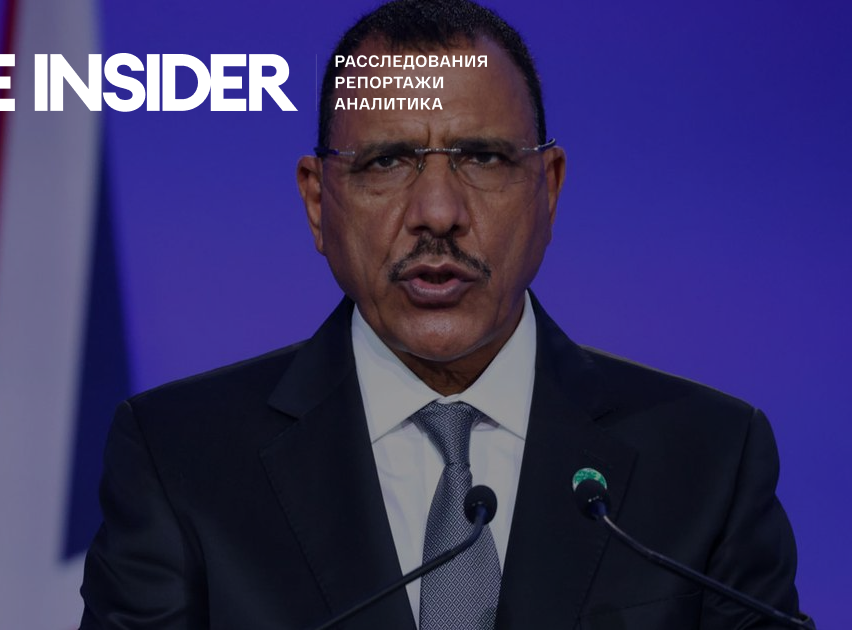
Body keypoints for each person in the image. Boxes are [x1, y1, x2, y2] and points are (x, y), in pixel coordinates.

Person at [79, 1, 812, 628]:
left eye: (483, 158)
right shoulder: (180, 460)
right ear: (318, 201)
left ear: (549, 189)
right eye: (387, 161)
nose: (437, 212)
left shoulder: (708, 461)